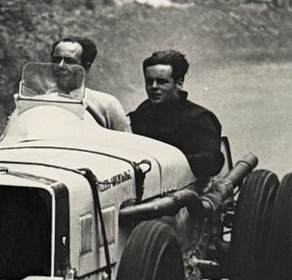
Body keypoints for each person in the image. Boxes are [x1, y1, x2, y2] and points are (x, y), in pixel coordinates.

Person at [127, 49, 223, 181]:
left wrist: (164, 161)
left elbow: (212, 162)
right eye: (149, 81)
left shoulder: (200, 118)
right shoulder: (143, 112)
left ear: (179, 83)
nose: (153, 87)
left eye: (161, 81)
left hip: (186, 191)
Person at [49, 35, 129, 131]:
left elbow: (126, 143)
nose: (60, 66)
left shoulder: (107, 105)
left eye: (69, 61)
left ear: (86, 67)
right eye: (56, 60)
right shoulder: (42, 102)